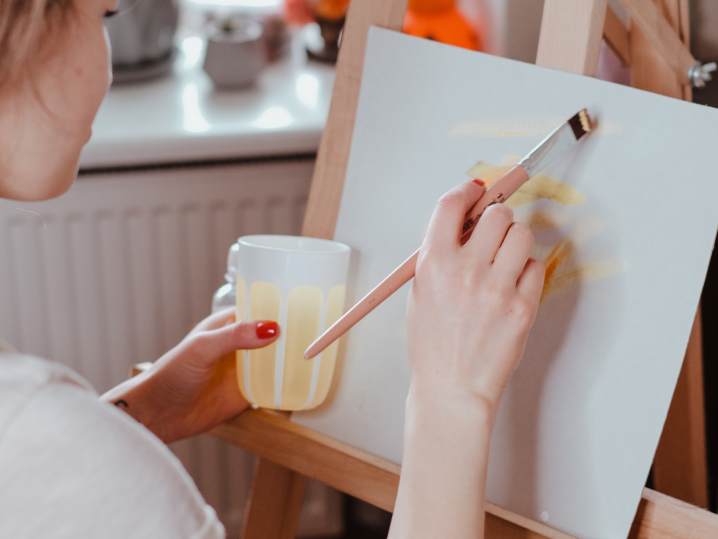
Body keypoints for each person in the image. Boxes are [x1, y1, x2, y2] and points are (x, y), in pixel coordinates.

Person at [0, 1, 545, 537]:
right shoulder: (45, 439)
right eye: (104, 15)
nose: (107, 61)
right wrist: (452, 400)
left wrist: (137, 414)